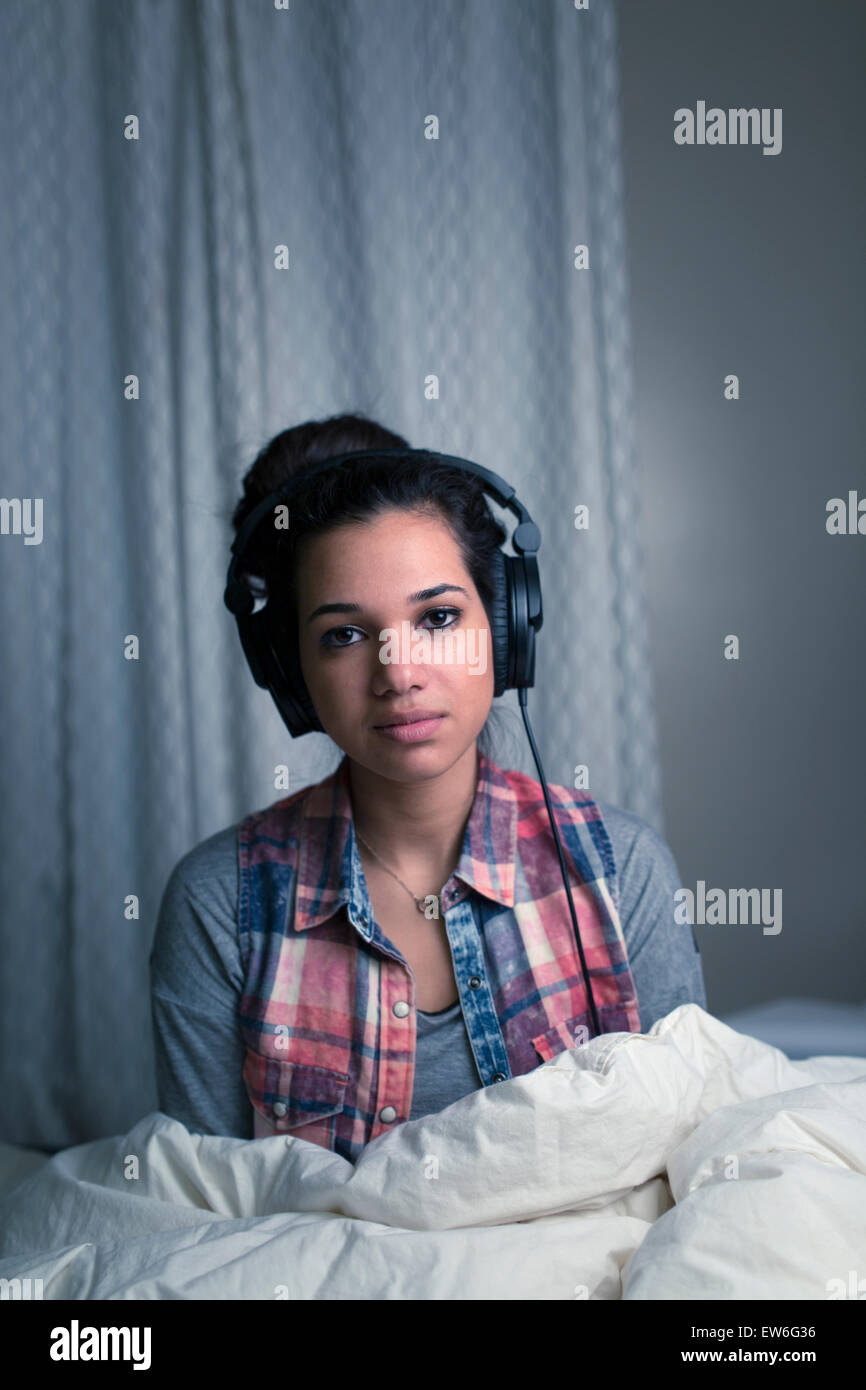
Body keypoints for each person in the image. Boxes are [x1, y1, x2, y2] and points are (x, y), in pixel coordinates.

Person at [149, 412, 707, 1164]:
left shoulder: (622, 872)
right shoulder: (216, 904)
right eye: (344, 634)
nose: (399, 673)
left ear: (505, 627)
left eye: (438, 617)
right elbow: (203, 1217)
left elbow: (694, 1169)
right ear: (291, 673)